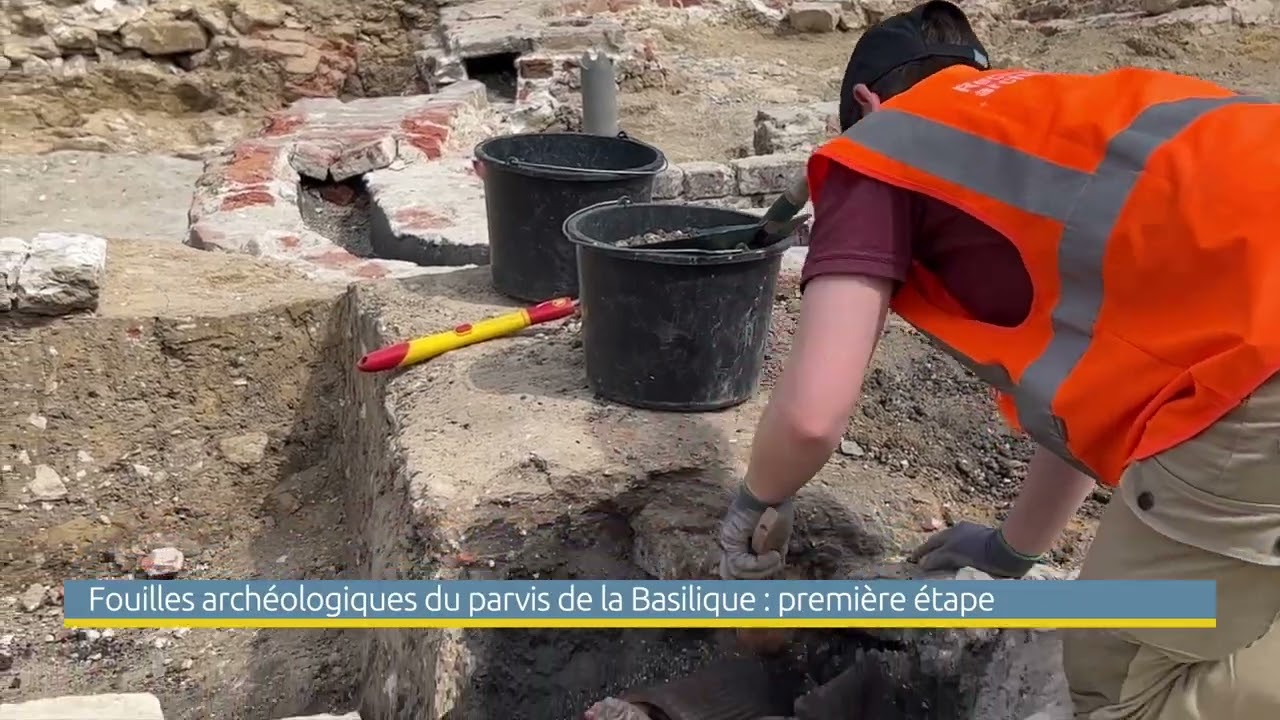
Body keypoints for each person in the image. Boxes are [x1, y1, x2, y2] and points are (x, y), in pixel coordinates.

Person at [716, 1, 1280, 718]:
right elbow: (1088, 398)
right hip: (1255, 308)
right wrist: (1014, 550)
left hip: (1259, 346)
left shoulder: (883, 143)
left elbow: (811, 417)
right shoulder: (1054, 125)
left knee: (1124, 685)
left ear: (865, 103)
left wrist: (751, 512)